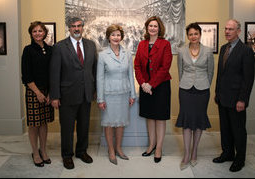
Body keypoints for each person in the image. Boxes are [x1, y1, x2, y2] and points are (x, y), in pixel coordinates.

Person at [49, 16, 98, 170]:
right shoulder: (60, 47)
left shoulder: (90, 45)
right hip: (67, 95)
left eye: (79, 26)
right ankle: (67, 155)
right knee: (67, 128)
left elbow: (94, 69)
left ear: (83, 27)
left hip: (86, 94)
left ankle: (81, 151)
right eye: (73, 26)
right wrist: (55, 96)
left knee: (84, 126)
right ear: (68, 29)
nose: (76, 29)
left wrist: (95, 89)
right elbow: (54, 73)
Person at [213, 19, 255, 172]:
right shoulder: (224, 48)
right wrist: (217, 92)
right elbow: (220, 74)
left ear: (238, 31)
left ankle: (240, 159)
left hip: (237, 99)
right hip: (223, 97)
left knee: (238, 130)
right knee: (225, 129)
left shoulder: (246, 51)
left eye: (231, 29)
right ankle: (227, 153)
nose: (227, 32)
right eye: (226, 29)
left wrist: (242, 99)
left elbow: (248, 79)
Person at [134, 16, 173, 163]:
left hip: (161, 86)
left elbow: (165, 67)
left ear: (159, 28)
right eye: (150, 26)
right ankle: (151, 145)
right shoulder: (141, 44)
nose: (152, 28)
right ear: (147, 27)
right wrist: (143, 83)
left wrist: (151, 84)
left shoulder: (165, 44)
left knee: (160, 118)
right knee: (149, 116)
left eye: (155, 26)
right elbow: (137, 66)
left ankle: (159, 148)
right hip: (145, 87)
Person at [97, 24, 137, 165]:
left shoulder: (127, 54)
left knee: (120, 123)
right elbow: (100, 78)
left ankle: (119, 148)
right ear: (108, 37)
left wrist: (133, 94)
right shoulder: (102, 55)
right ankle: (111, 150)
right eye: (113, 35)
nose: (116, 37)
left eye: (118, 35)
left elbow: (130, 75)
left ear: (121, 37)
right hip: (108, 94)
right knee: (109, 124)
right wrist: (100, 98)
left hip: (124, 93)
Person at [176, 22, 214, 169]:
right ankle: (186, 154)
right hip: (185, 90)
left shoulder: (208, 51)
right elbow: (180, 71)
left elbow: (210, 72)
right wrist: (185, 84)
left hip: (202, 90)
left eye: (196, 34)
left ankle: (194, 152)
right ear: (188, 36)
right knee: (186, 123)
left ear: (200, 34)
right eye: (190, 34)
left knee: (198, 122)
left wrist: (205, 84)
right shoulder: (181, 51)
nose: (193, 36)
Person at [21, 21, 55, 167]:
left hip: (48, 91)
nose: (37, 33)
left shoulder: (50, 49)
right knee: (34, 124)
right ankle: (35, 152)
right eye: (34, 31)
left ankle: (43, 150)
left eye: (40, 31)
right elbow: (26, 76)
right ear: (31, 33)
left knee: (44, 122)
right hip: (33, 91)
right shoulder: (28, 50)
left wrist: (50, 93)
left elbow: (53, 73)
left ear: (45, 33)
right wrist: (38, 93)